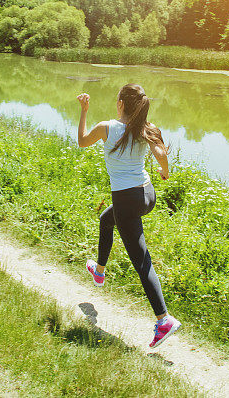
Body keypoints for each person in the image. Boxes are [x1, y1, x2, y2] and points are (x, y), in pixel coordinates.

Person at [76, 83, 181, 348]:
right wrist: (165, 173)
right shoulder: (145, 128)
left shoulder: (107, 127)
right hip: (147, 195)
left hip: (127, 199)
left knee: (141, 261)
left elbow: (81, 142)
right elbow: (161, 154)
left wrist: (84, 110)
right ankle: (99, 271)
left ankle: (164, 319)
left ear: (121, 103)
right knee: (105, 220)